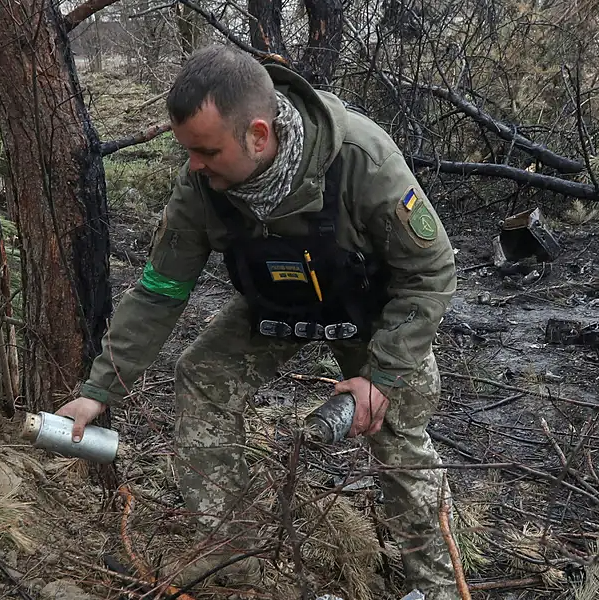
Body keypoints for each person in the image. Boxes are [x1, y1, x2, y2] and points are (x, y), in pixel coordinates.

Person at [57, 44, 460, 599]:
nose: (194, 164)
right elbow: (160, 290)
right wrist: (99, 390)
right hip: (276, 304)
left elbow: (430, 270)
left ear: (259, 135)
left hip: (374, 310)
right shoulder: (200, 185)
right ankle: (234, 565)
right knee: (202, 376)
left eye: (206, 150)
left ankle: (436, 586)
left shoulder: (360, 160)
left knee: (396, 434)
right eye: (188, 151)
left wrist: (383, 376)